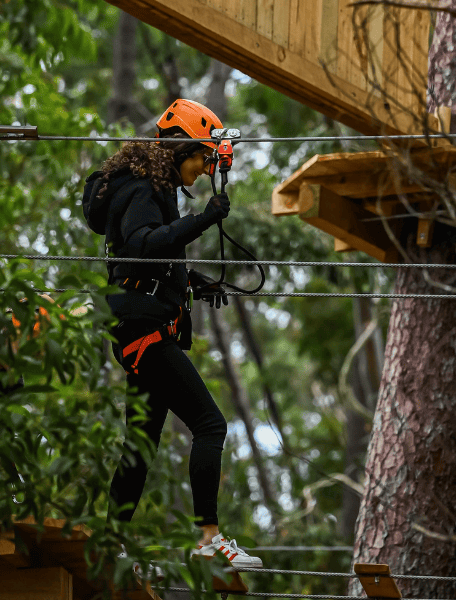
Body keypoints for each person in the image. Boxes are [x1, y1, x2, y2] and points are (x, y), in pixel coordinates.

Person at [82, 98, 262, 570]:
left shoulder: (151, 185)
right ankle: (208, 536)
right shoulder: (144, 186)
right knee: (210, 424)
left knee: (140, 444)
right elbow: (141, 244)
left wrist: (194, 282)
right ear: (182, 147)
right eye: (203, 157)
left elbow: (145, 253)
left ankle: (111, 540)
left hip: (137, 327)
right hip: (142, 330)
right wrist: (204, 219)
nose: (205, 169)